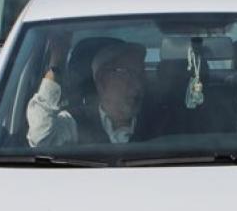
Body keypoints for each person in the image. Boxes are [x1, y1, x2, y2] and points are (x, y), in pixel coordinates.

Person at [27, 39, 155, 147]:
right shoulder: (76, 121)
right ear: (102, 80)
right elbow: (40, 139)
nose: (138, 85)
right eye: (127, 74)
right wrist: (56, 65)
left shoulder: (161, 120)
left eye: (140, 75)